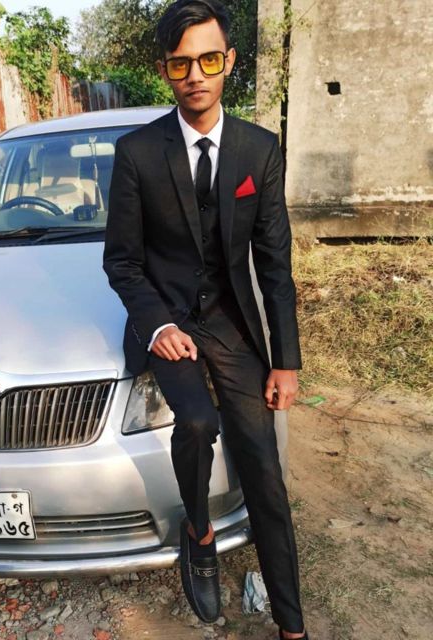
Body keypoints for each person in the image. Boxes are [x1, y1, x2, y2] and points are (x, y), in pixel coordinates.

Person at [102, 1, 309, 637]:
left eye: (208, 60)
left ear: (229, 63)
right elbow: (122, 262)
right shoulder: (138, 153)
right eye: (180, 63)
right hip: (168, 320)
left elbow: (274, 263)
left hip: (231, 322)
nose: (195, 75)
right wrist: (158, 326)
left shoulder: (258, 150)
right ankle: (198, 529)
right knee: (195, 422)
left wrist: (285, 361)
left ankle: (292, 626)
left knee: (264, 471)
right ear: (165, 69)